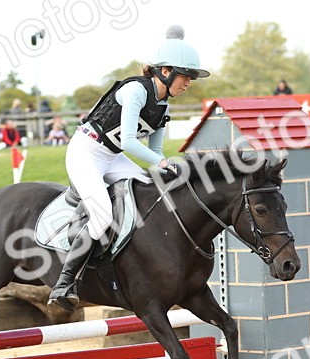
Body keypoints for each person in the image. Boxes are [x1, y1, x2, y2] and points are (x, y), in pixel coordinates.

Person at [47, 25, 209, 312]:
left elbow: (156, 151)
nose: (188, 83)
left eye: (190, 78)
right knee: (103, 214)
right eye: (186, 76)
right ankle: (65, 282)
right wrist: (160, 162)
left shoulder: (164, 107)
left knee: (150, 193)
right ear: (166, 71)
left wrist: (165, 167)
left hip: (113, 156)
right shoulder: (136, 90)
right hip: (86, 151)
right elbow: (133, 141)